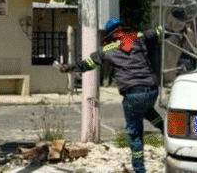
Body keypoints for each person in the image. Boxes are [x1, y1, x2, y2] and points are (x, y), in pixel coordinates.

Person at [59, 17, 162, 173]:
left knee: (134, 134)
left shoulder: (108, 49)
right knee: (147, 110)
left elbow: (87, 64)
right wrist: (180, 24)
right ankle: (166, 129)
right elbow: (160, 31)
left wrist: (69, 67)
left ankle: (139, 170)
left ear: (109, 34)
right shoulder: (137, 37)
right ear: (122, 28)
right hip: (152, 89)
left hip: (133, 93)